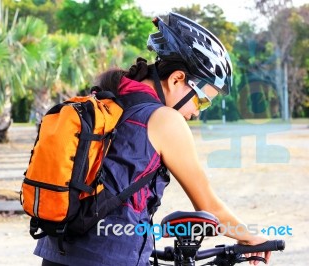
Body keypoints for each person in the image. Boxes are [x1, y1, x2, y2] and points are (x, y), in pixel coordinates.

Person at [34, 12, 271, 266]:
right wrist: (251, 238)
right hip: (111, 259)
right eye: (201, 99)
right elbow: (209, 205)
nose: (198, 110)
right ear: (178, 78)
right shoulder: (165, 120)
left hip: (56, 254)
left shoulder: (107, 101)